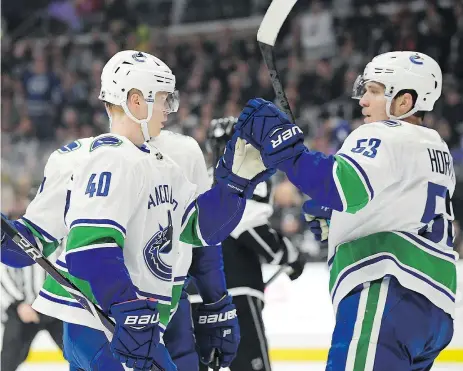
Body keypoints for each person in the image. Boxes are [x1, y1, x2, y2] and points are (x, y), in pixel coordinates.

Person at [1, 50, 274, 371]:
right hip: (100, 318)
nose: (169, 109)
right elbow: (47, 247)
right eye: (162, 99)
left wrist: (235, 183)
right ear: (135, 101)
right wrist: (125, 306)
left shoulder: (170, 160)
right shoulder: (82, 159)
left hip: (157, 313)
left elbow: (201, 231)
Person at [234, 51, 457, 371]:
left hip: (386, 290)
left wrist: (281, 143)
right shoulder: (435, 146)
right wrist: (342, 218)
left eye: (375, 91)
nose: (363, 100)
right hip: (433, 311)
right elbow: (401, 206)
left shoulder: (383, 133)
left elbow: (337, 184)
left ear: (405, 102)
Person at [187, 117, 306, 371]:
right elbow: (250, 229)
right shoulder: (249, 179)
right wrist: (289, 255)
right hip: (235, 294)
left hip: (194, 297)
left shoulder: (194, 182)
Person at [0, 263, 63, 371]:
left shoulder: (60, 246)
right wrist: (18, 303)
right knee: (10, 356)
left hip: (56, 308)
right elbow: (2, 274)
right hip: (21, 309)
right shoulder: (12, 246)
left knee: (74, 350)